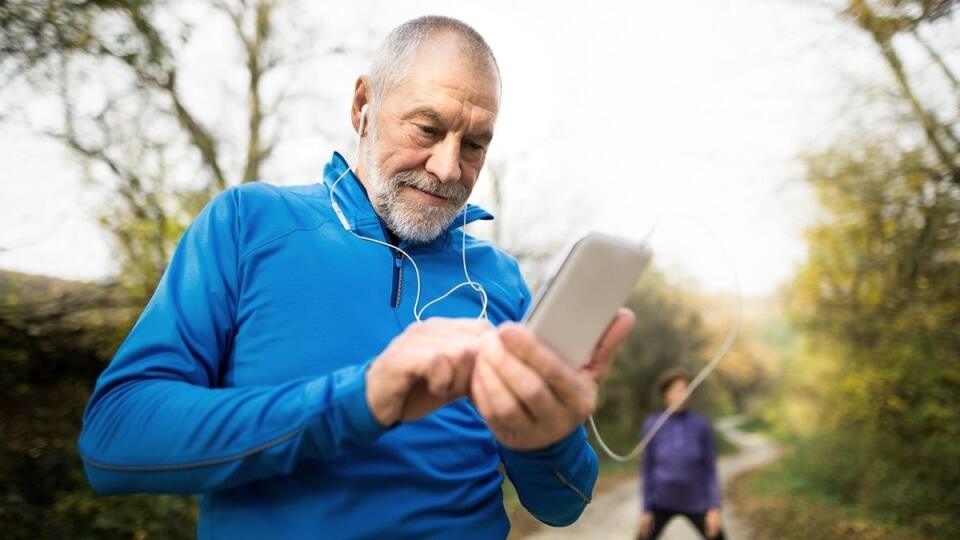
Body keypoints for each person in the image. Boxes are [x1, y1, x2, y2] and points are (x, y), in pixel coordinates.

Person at [77, 15, 637, 540]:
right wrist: (361, 398)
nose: (448, 167)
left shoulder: (503, 282)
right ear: (363, 105)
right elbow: (114, 441)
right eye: (427, 128)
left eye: (473, 144)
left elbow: (560, 505)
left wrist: (546, 439)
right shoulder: (248, 224)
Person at [637, 368, 725, 540]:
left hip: (697, 502)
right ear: (666, 394)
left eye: (686, 389)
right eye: (677, 390)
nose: (683, 395)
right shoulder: (652, 424)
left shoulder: (701, 425)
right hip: (661, 502)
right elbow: (647, 469)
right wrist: (646, 510)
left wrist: (714, 508)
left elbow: (710, 469)